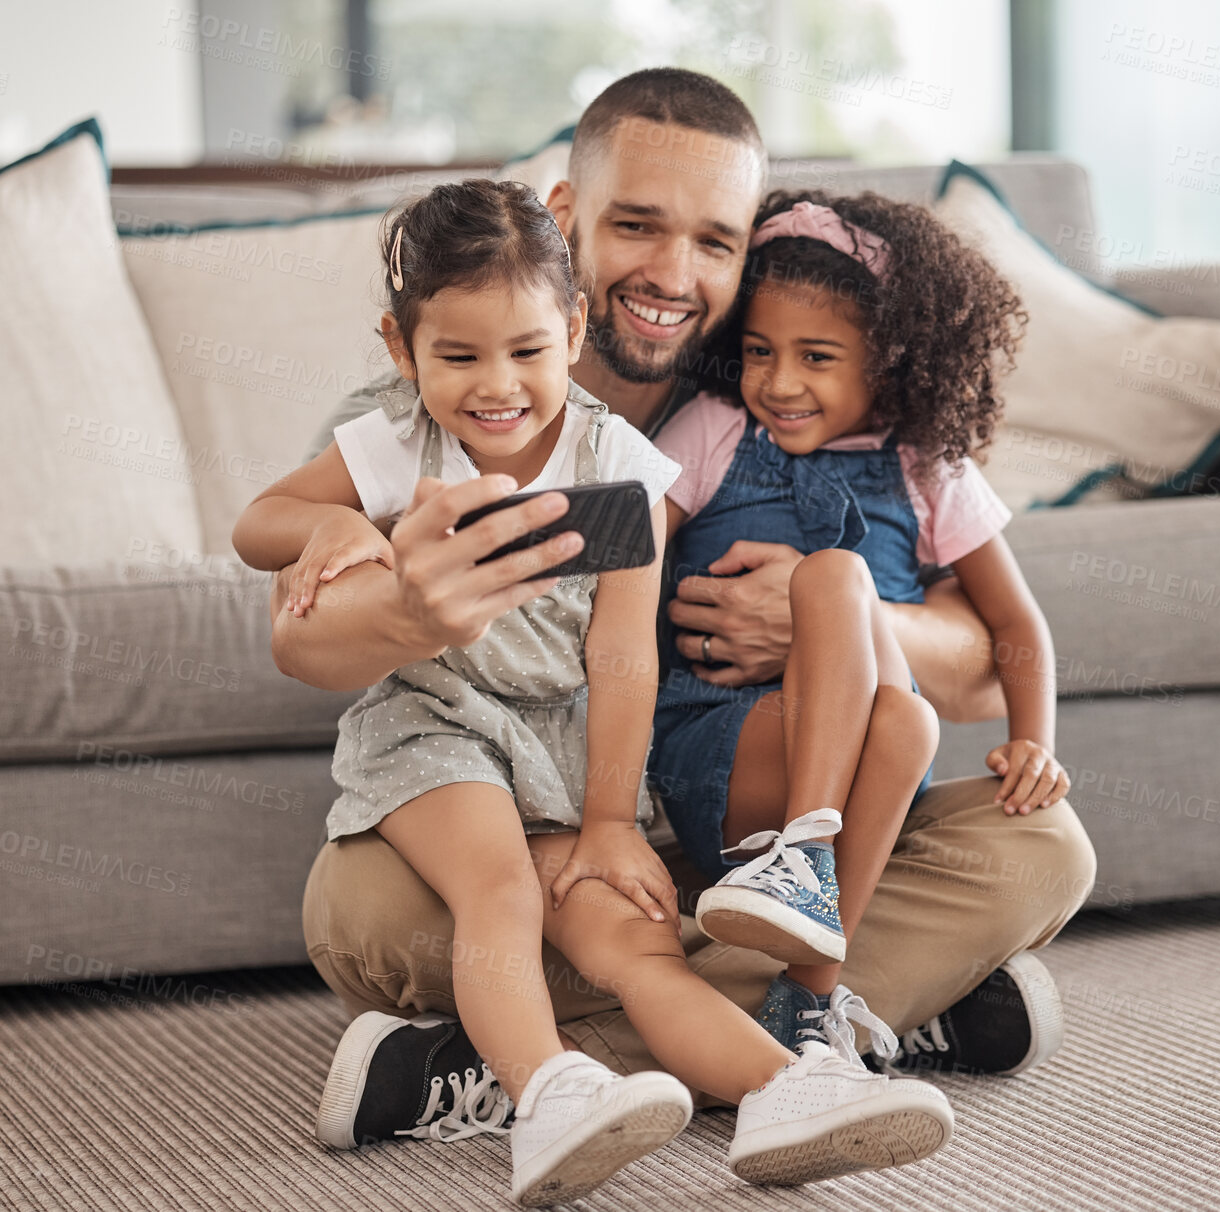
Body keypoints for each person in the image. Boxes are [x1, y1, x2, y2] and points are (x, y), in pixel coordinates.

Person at [275, 68, 1097, 1151]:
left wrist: (832, 626)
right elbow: (300, 635)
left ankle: (487, 1068)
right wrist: (411, 604)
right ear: (566, 222)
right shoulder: (461, 388)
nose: (673, 274)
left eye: (714, 240)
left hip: (746, 836)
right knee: (368, 909)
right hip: (537, 826)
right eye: (636, 227)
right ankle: (855, 1017)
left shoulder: (775, 386)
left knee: (1040, 845)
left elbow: (987, 659)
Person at [233, 178, 955, 1203]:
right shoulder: (394, 440)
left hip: (563, 745)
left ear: (572, 328)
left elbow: (624, 653)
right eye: (458, 356)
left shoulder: (616, 459)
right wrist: (338, 524)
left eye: (526, 351)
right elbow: (256, 523)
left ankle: (787, 1088)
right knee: (503, 888)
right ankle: (548, 1094)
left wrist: (613, 821)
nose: (497, 385)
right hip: (435, 725)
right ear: (401, 347)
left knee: (632, 940)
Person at [650, 187, 1070, 1062]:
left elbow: (1016, 623)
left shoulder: (927, 467)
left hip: (876, 783)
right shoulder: (714, 427)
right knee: (838, 574)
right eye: (759, 351)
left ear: (890, 361)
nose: (780, 381)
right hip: (730, 757)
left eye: (818, 356)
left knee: (910, 715)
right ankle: (817, 905)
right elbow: (627, 569)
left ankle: (804, 1000)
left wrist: (1035, 742)